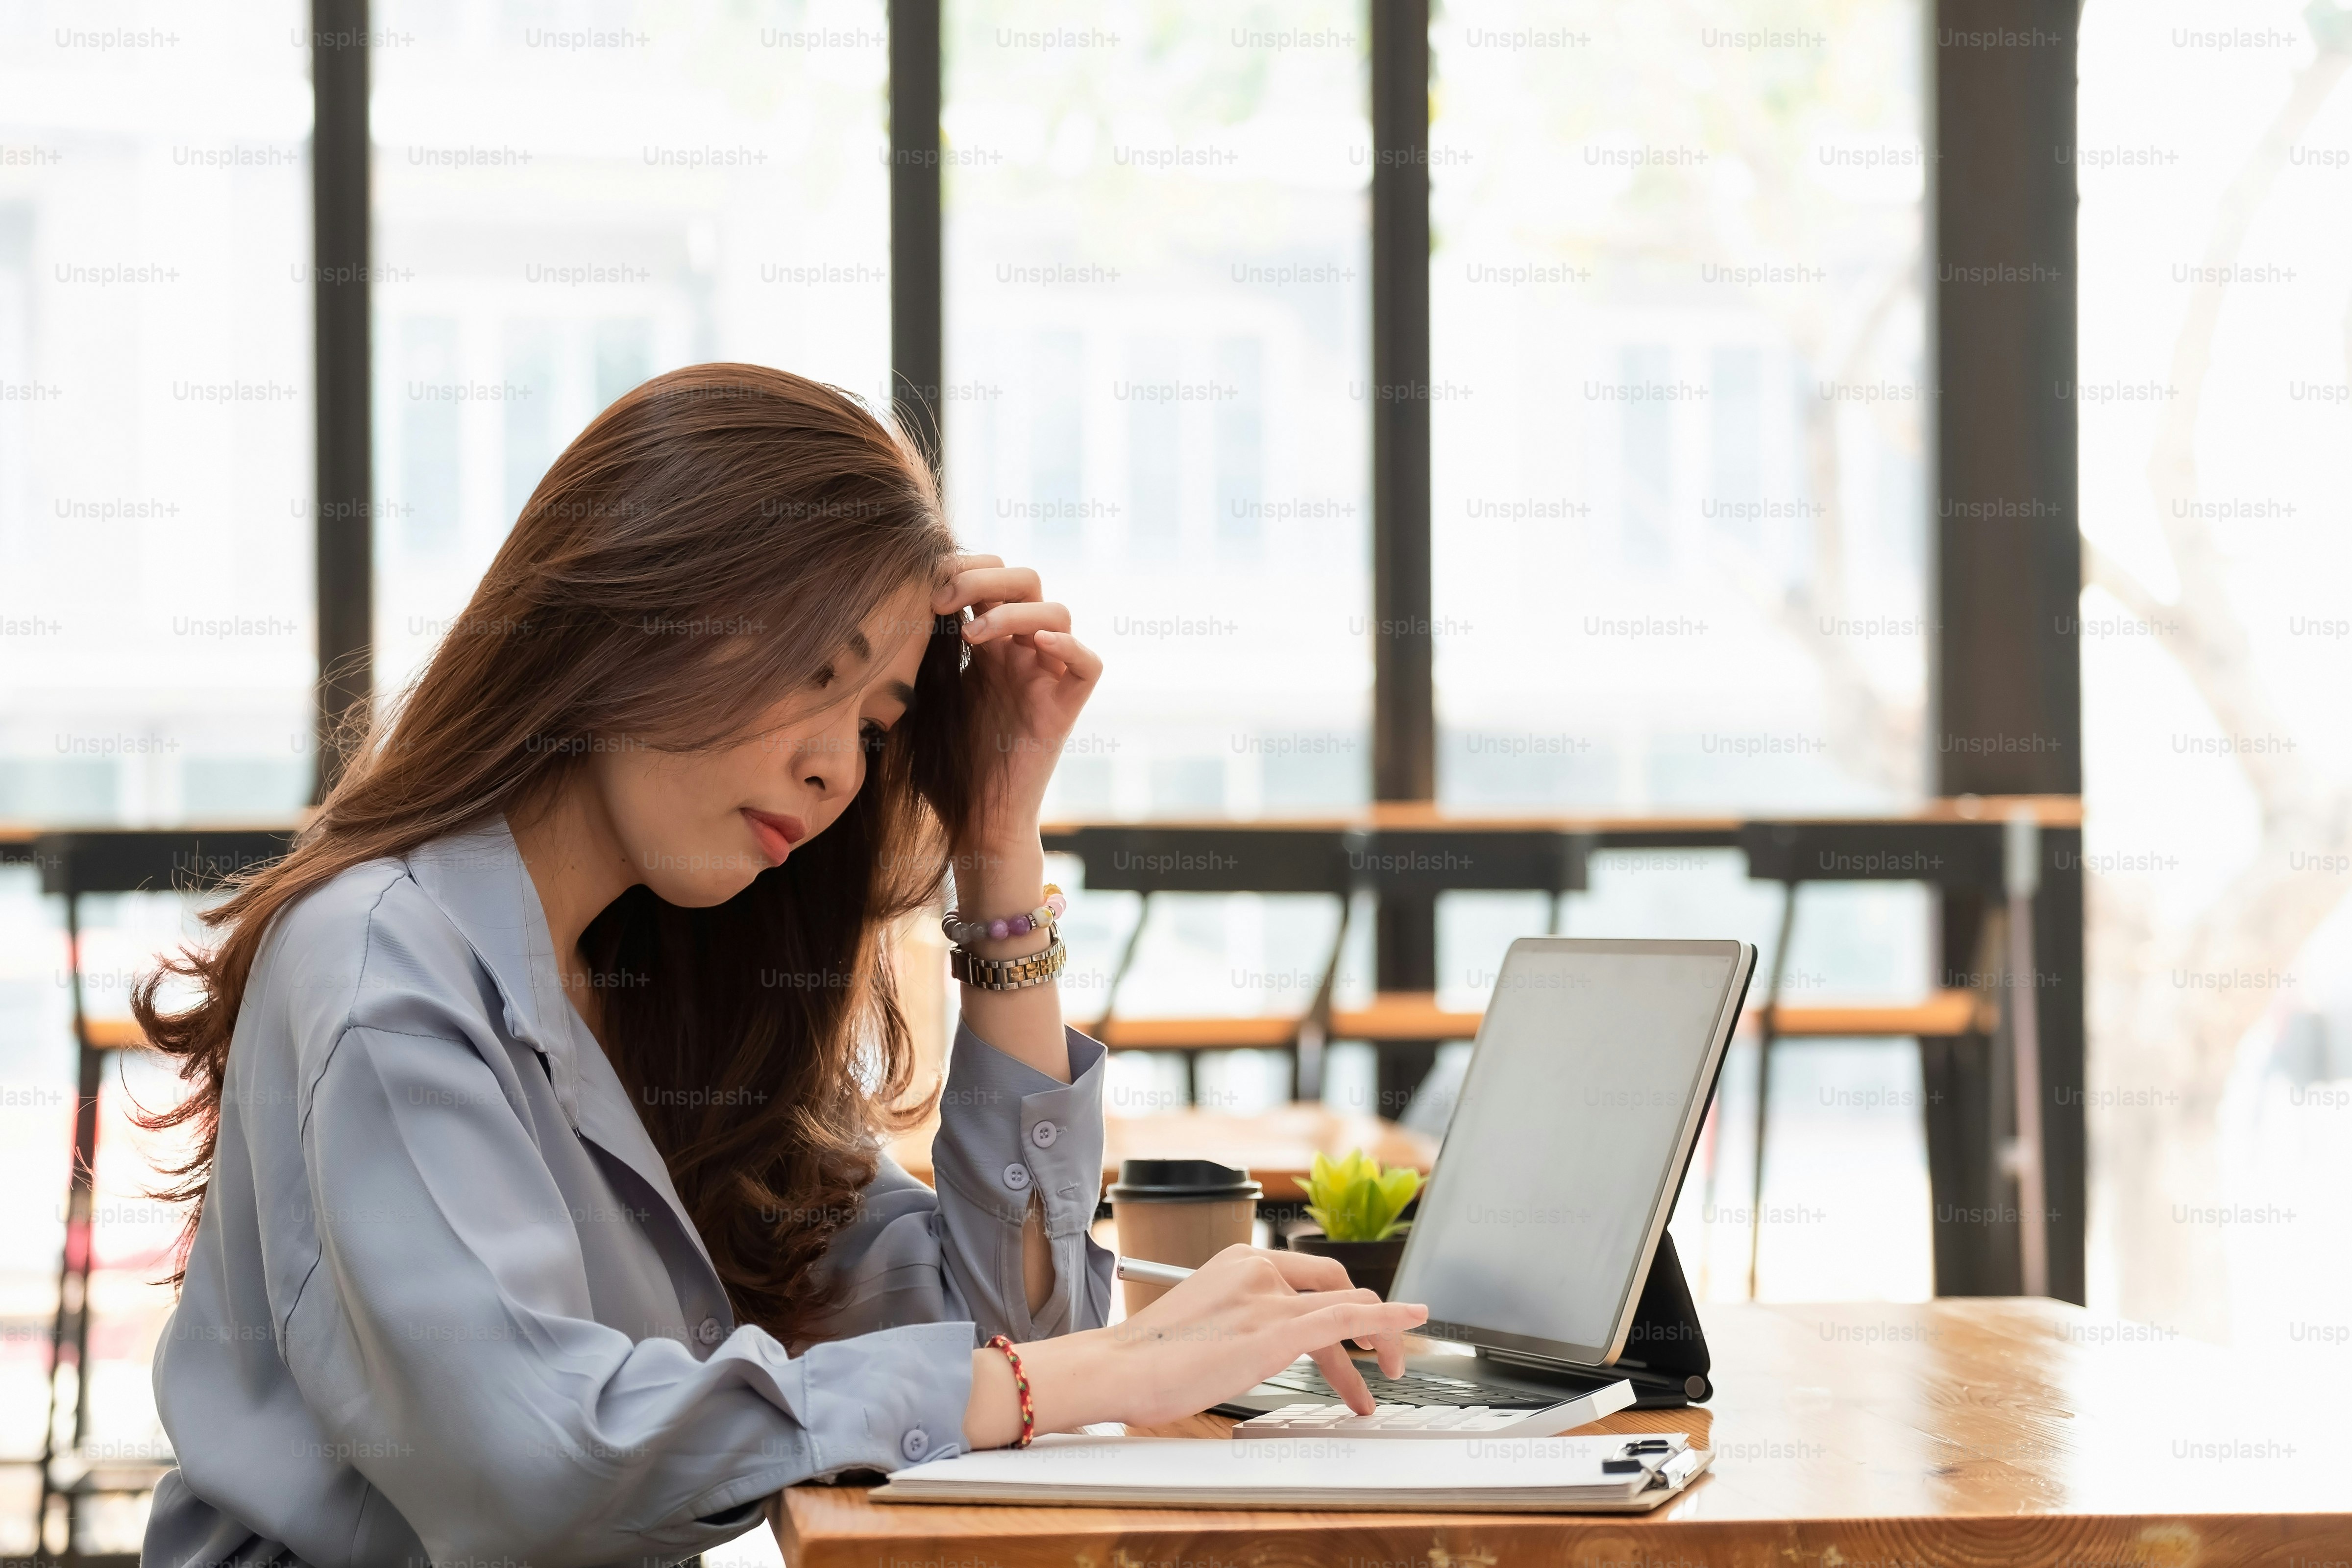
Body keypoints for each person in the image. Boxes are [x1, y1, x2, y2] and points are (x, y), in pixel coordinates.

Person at [132, 363, 1426, 1567]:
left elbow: (1005, 1335)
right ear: (630, 608)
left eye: (878, 725)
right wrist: (1088, 1376)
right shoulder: (383, 964)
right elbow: (546, 1456)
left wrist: (997, 850)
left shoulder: (663, 987)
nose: (839, 769)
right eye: (817, 674)